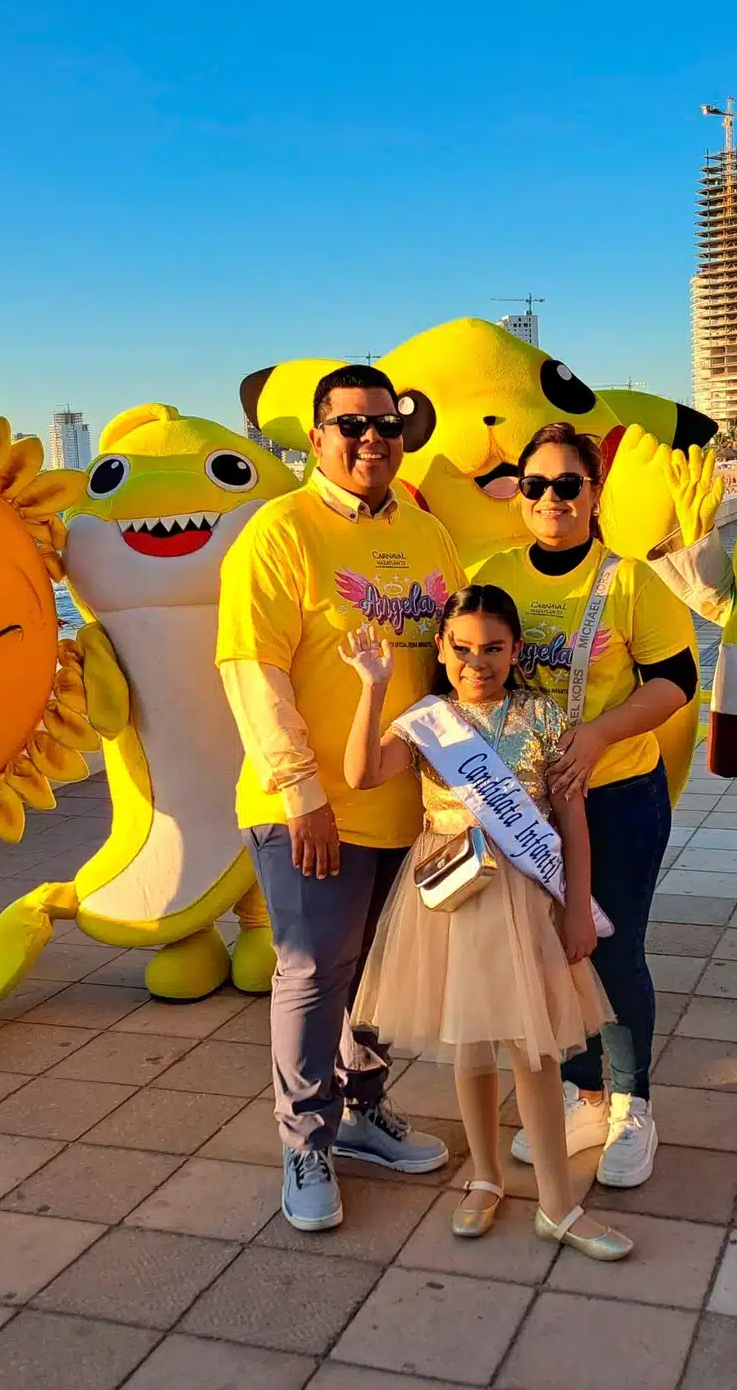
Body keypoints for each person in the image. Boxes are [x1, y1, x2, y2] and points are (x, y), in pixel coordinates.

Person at [217, 362, 466, 1233]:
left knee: (384, 976)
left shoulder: (429, 536)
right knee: (316, 972)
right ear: (316, 437)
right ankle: (306, 1142)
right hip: (312, 808)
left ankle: (363, 1112)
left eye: (388, 425)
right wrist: (300, 792)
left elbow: (453, 659)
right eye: (351, 425)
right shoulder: (278, 532)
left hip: (410, 803)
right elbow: (253, 670)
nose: (372, 439)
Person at [342, 588, 631, 1260]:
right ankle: (486, 1177)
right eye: (463, 648)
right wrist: (372, 688)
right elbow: (361, 774)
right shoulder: (425, 720)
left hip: (527, 896)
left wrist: (579, 908)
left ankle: (558, 1203)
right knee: (470, 1043)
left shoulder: (543, 717)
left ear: (515, 652)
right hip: (450, 893)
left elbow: (572, 823)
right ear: (440, 649)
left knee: (532, 1051)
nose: (478, 662)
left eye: (493, 649)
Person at [473, 423, 697, 1188]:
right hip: (525, 808)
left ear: (594, 495)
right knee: (547, 950)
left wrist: (600, 733)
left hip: (619, 796)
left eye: (569, 485)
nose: (551, 500)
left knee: (611, 948)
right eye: (536, 485)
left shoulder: (631, 580)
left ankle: (634, 1103)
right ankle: (584, 1091)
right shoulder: (494, 572)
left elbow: (675, 683)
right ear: (519, 495)